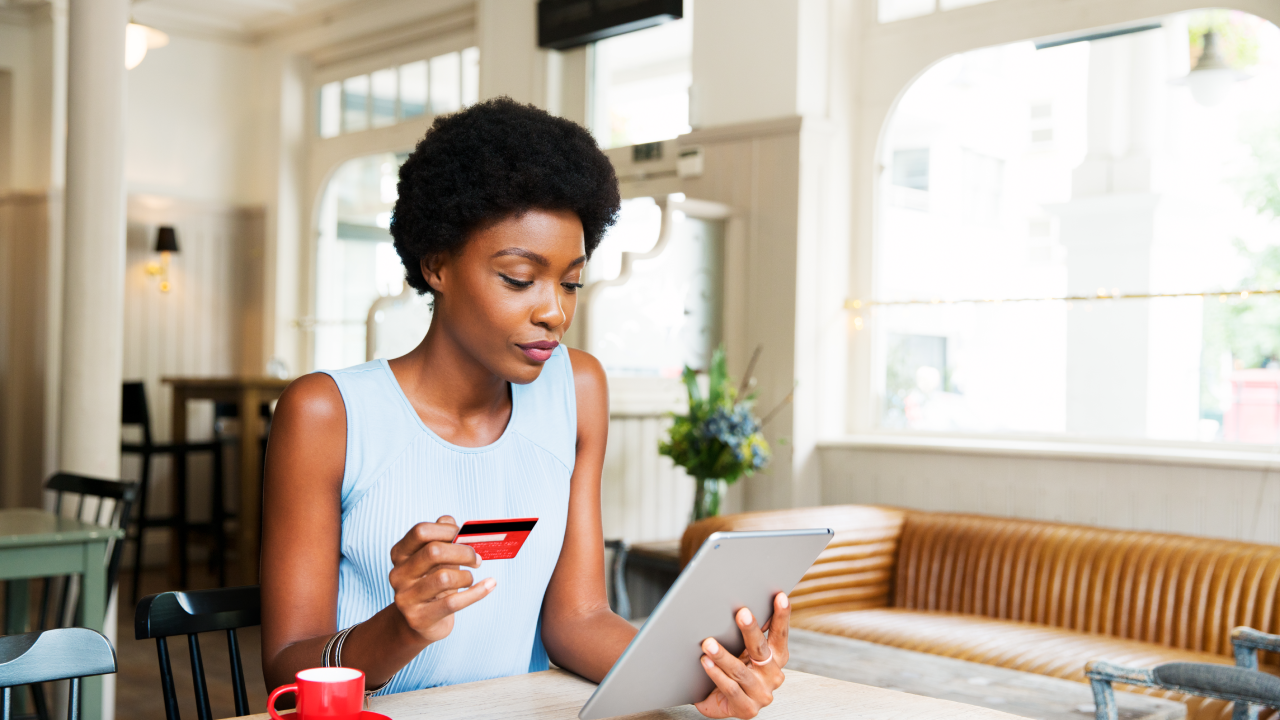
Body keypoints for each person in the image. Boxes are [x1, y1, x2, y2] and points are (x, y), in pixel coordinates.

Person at [260, 97, 790, 718]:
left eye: (570, 282)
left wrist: (708, 678)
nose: (554, 312)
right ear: (436, 264)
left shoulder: (578, 389)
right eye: (518, 278)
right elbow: (286, 667)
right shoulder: (327, 413)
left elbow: (579, 619)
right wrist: (402, 628)